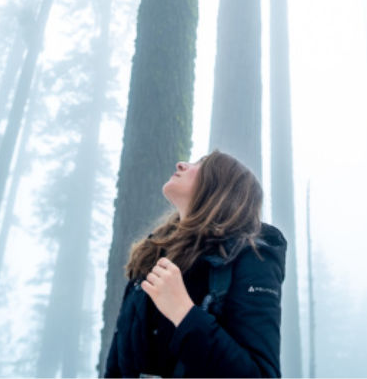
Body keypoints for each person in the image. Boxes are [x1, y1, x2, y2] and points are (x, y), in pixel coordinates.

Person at [104, 150, 286, 377]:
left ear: (222, 188)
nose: (181, 164)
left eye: (202, 164)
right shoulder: (151, 256)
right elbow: (117, 367)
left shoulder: (254, 256)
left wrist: (183, 312)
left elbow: (260, 374)